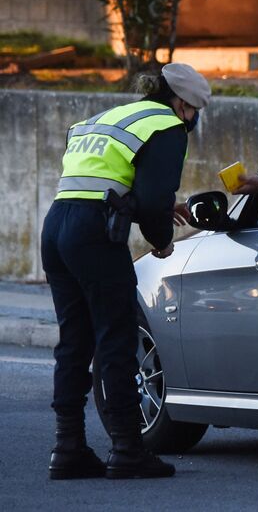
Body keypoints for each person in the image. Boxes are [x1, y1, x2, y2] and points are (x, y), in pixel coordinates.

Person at [42, 62, 210, 479]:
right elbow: (154, 200)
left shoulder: (112, 116)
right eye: (194, 113)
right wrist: (162, 241)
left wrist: (143, 204)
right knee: (116, 337)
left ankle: (68, 448)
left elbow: (105, 184)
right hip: (94, 234)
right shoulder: (167, 126)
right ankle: (128, 449)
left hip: (57, 225)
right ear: (184, 105)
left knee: (74, 340)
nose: (192, 121)